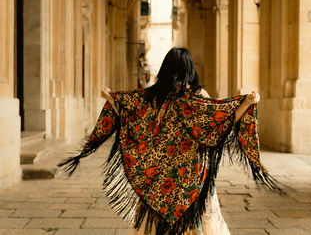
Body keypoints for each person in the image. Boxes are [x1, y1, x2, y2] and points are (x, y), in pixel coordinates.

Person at [58, 47, 281, 235]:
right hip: (193, 177)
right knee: (200, 219)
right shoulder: (198, 97)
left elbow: (129, 112)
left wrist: (111, 99)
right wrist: (247, 103)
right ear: (190, 69)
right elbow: (222, 120)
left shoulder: (152, 97)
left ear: (165, 69)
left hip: (159, 176)